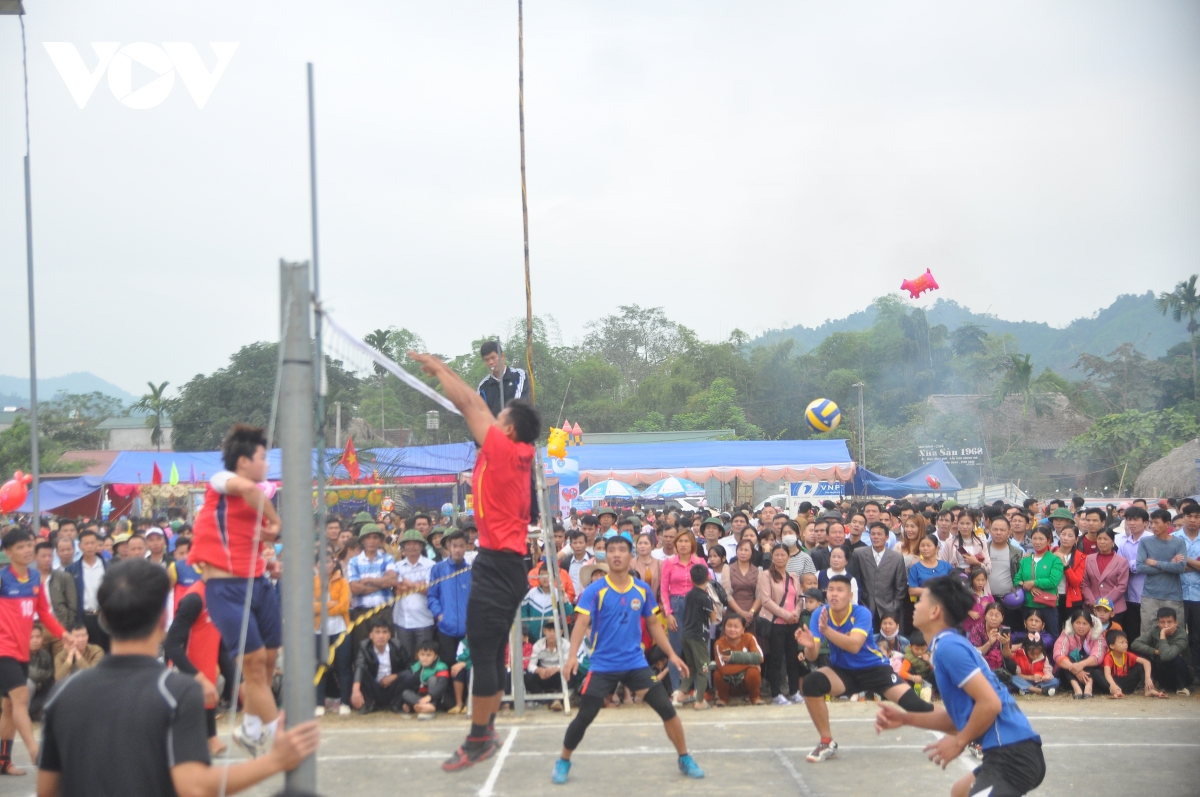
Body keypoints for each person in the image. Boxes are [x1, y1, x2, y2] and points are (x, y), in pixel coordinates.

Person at [37, 559, 319, 797]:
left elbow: (46, 790)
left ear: (104, 619)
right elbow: (194, 786)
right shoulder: (175, 692)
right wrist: (275, 761)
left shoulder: (62, 693)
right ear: (163, 618)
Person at [410, 350, 541, 772]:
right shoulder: (515, 455)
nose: (491, 416)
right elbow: (476, 404)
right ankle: (486, 731)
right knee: (490, 651)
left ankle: (479, 737)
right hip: (504, 564)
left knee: (483, 653)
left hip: (499, 565)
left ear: (509, 427)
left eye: (500, 415)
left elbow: (470, 403)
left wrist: (441, 370)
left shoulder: (504, 450)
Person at [551, 534, 705, 784]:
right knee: (586, 714)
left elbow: (654, 624)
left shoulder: (642, 589)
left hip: (636, 664)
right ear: (605, 556)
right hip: (603, 665)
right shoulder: (595, 590)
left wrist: (673, 655)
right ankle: (564, 760)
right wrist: (571, 658)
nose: (617, 554)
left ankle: (684, 757)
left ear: (630, 555)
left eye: (622, 550)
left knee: (667, 710)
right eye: (611, 550)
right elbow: (580, 625)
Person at [874, 575, 1045, 797]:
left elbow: (990, 704)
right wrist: (907, 718)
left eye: (923, 599)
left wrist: (959, 742)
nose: (916, 604)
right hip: (1009, 753)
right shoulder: (947, 646)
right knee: (960, 791)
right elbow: (959, 720)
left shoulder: (949, 648)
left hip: (1013, 755)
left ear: (935, 611)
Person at [187, 424, 284, 758]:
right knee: (254, 665)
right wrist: (276, 523)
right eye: (263, 457)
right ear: (244, 461)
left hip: (259, 584)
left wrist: (266, 554)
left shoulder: (261, 490)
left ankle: (251, 729)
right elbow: (252, 493)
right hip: (225, 588)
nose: (267, 464)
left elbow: (251, 534)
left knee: (270, 662)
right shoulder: (221, 482)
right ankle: (280, 737)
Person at [797, 575, 932, 763]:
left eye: (839, 590)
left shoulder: (862, 613)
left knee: (916, 706)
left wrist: (827, 631)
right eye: (831, 590)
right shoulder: (820, 614)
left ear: (850, 595)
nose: (834, 594)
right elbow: (812, 657)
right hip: (843, 671)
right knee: (812, 683)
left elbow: (854, 645)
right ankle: (827, 742)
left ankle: (966, 729)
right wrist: (809, 645)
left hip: (875, 669)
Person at [0, 529, 64, 775]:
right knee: (20, 700)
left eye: (28, 545)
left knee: (8, 708)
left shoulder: (36, 578)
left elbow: (45, 613)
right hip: (3, 650)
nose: (26, 550)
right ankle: (36, 752)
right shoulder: (3, 578)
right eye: (19, 547)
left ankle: (4, 761)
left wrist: (64, 634)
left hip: (22, 651)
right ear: (7, 552)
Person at [164, 576, 228, 756]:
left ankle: (211, 737)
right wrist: (198, 677)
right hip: (185, 668)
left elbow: (221, 646)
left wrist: (239, 682)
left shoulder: (220, 596)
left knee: (208, 698)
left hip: (206, 663)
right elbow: (171, 645)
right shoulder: (194, 599)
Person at [758, 544, 803, 705]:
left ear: (788, 557)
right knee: (776, 659)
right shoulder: (766, 575)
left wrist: (796, 613)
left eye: (783, 555)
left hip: (793, 623)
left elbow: (799, 599)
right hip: (776, 623)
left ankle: (794, 691)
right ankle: (776, 693)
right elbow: (766, 600)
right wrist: (786, 615)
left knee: (793, 659)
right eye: (776, 555)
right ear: (772, 556)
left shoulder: (793, 576)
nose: (780, 558)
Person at [660, 529, 703, 692]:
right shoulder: (668, 563)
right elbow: (664, 589)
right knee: (675, 650)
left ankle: (700, 690)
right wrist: (669, 613)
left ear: (692, 544)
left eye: (686, 541)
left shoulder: (700, 563)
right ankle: (676, 691)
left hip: (697, 607)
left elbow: (707, 587)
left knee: (699, 651)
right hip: (676, 605)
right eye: (680, 541)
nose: (683, 544)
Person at [676, 564, 721, 710]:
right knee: (704, 667)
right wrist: (714, 611)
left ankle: (682, 693)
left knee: (692, 666)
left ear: (691, 578)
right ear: (708, 577)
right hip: (699, 635)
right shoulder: (705, 597)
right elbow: (713, 618)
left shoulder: (689, 594)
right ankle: (700, 700)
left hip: (686, 634)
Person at [427, 530, 472, 675]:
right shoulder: (438, 569)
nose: (457, 550)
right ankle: (449, 698)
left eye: (461, 546)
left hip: (467, 629)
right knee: (447, 663)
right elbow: (432, 596)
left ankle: (465, 697)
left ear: (466, 546)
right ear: (448, 547)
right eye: (454, 546)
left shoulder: (471, 570)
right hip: (446, 627)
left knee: (465, 665)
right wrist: (440, 615)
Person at [350, 618, 416, 714]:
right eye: (377, 632)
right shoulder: (364, 646)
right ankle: (369, 705)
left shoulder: (397, 645)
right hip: (375, 687)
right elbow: (360, 666)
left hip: (393, 688)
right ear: (371, 635)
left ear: (389, 635)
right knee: (362, 672)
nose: (381, 636)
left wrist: (394, 676)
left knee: (409, 676)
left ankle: (397, 704)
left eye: (384, 632)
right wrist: (355, 691)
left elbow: (411, 666)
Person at [1137, 508, 1187, 634]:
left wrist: (1155, 563)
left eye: (1156, 522)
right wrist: (1169, 565)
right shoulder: (1145, 542)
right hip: (1150, 595)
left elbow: (1180, 568)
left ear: (1167, 524)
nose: (1153, 526)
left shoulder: (1179, 542)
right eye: (1151, 523)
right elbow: (1140, 567)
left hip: (1173, 596)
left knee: (1174, 633)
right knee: (1148, 633)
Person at [852, 523, 908, 633]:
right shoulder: (859, 553)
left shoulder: (896, 557)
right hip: (865, 605)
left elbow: (900, 586)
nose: (876, 537)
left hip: (888, 607)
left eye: (879, 534)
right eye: (873, 534)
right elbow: (855, 580)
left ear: (887, 537)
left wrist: (894, 606)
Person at [313, 558, 352, 717]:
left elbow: (344, 605)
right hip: (319, 630)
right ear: (317, 565)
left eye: (328, 561)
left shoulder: (343, 582)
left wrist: (321, 607)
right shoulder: (312, 582)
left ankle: (345, 702)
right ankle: (319, 703)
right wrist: (330, 604)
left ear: (333, 564)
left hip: (340, 629)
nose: (326, 565)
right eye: (322, 562)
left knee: (343, 667)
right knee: (321, 667)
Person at [391, 528, 436, 654]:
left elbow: (429, 589)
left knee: (424, 657)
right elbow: (398, 589)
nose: (412, 547)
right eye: (408, 544)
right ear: (403, 547)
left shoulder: (431, 565)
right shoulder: (397, 566)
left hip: (424, 619)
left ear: (421, 546)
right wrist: (418, 585)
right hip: (402, 620)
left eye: (415, 543)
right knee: (405, 658)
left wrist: (407, 583)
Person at [1131, 606, 1191, 695]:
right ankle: (1151, 685)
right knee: (1142, 655)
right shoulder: (1155, 629)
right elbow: (1135, 644)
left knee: (1175, 658)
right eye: (1162, 622)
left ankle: (1181, 688)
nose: (1166, 626)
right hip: (1162, 671)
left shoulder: (1181, 635)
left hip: (1182, 674)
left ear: (1176, 622)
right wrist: (1155, 651)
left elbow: (1167, 656)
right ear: (1158, 623)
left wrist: (1163, 634)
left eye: (1169, 622)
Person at [1015, 528, 1063, 635]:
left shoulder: (1055, 560)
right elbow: (1017, 580)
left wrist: (1033, 583)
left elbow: (1053, 581)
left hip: (1048, 605)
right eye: (1034, 538)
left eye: (1041, 539)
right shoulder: (1026, 560)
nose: (1037, 542)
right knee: (1028, 636)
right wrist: (1028, 586)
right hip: (1028, 604)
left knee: (1052, 634)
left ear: (1048, 540)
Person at [66, 530, 108, 652]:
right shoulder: (72, 570)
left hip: (103, 617)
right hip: (83, 617)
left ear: (97, 545)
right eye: (86, 543)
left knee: (104, 651)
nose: (89, 546)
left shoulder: (108, 567)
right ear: (80, 546)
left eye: (92, 543)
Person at [1114, 506, 1151, 640]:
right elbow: (1118, 566)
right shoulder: (1125, 543)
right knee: (1132, 631)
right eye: (1129, 519)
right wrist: (1137, 564)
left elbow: (1141, 566)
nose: (1131, 523)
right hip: (1128, 595)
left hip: (1147, 595)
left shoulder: (1151, 540)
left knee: (1147, 633)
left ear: (1145, 522)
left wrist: (1129, 565)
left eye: (1136, 519)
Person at [1172, 502, 1200, 683]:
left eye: (1197, 516)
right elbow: (1170, 566)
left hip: (1198, 597)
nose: (1192, 520)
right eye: (1189, 516)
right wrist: (1193, 565)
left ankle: (1197, 674)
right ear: (1183, 517)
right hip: (1178, 594)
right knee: (1177, 636)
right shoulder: (1173, 538)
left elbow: (1180, 563)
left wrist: (1185, 560)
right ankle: (1180, 677)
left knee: (1197, 637)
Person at [1052, 608, 1106, 699]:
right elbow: (1058, 654)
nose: (1081, 626)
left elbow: (1098, 655)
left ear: (1090, 625)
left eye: (1085, 623)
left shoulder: (1097, 635)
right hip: (1069, 677)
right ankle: (1076, 688)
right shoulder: (1066, 634)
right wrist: (1076, 670)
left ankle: (1088, 687)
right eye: (1078, 623)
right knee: (1068, 658)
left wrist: (1081, 665)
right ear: (1072, 624)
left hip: (1090, 675)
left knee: (1088, 658)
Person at [713, 614, 763, 706]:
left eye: (736, 627)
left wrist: (734, 657)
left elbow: (759, 657)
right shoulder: (721, 643)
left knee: (753, 671)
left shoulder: (749, 638)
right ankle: (723, 699)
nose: (732, 629)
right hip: (729, 683)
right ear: (724, 628)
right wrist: (749, 663)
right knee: (717, 674)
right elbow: (724, 669)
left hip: (746, 683)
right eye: (729, 626)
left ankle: (755, 698)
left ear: (743, 629)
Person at [1102, 629, 1162, 699]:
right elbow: (1107, 674)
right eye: (1122, 642)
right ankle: (1117, 691)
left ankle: (1148, 690)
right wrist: (1113, 685)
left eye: (1126, 642)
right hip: (1113, 684)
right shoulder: (1108, 657)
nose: (1125, 645)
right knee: (1096, 672)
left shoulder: (1128, 655)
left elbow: (1146, 662)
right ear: (1112, 646)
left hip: (1127, 684)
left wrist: (1147, 678)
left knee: (1141, 665)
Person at [403, 642, 450, 720]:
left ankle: (430, 706)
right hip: (421, 697)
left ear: (435, 657)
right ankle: (426, 707)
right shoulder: (415, 667)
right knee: (405, 693)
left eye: (429, 655)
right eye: (422, 654)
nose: (425, 658)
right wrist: (406, 703)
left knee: (433, 679)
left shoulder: (441, 666)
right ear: (418, 655)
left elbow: (442, 685)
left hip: (437, 698)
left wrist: (430, 696)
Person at [526, 624, 566, 709]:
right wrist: (539, 670)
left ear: (561, 632)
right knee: (527, 677)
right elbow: (530, 665)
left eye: (555, 631)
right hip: (544, 675)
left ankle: (558, 700)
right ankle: (549, 702)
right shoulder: (538, 645)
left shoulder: (566, 644)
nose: (552, 634)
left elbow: (568, 663)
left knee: (570, 673)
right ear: (544, 631)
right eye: (549, 630)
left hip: (559, 675)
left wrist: (556, 669)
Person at [47, 539, 78, 630]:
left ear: (74, 550)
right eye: (62, 550)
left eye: (68, 549)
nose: (66, 553)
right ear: (56, 552)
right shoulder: (52, 571)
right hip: (60, 619)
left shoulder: (80, 568)